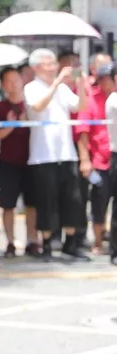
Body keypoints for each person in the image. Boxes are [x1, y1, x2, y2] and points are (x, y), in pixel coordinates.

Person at [23, 49, 88, 259]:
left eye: (54, 64)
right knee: (46, 201)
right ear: (36, 68)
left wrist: (79, 84)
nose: (54, 68)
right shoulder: (31, 88)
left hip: (66, 153)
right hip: (43, 156)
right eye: (49, 64)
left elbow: (80, 106)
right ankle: (47, 244)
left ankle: (71, 243)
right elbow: (38, 106)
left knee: (72, 199)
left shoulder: (63, 89)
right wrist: (57, 82)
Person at [0, 67, 39, 257]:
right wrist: (11, 126)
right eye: (8, 81)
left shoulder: (32, 105)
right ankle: (10, 242)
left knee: (31, 204)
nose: (13, 85)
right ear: (3, 85)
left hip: (31, 160)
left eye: (16, 80)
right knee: (8, 204)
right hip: (8, 162)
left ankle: (32, 240)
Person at [74, 62, 115, 255]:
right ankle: (98, 241)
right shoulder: (91, 101)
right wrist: (85, 160)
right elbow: (83, 132)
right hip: (99, 161)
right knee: (99, 203)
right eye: (104, 79)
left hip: (114, 157)